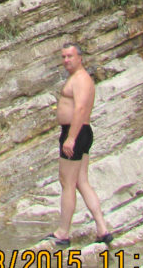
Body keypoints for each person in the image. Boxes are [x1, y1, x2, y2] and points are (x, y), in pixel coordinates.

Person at [47, 42, 112, 247]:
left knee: (67, 182)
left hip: (76, 132)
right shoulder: (77, 78)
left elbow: (81, 108)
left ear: (80, 57)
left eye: (70, 56)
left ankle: (63, 233)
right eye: (64, 57)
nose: (66, 60)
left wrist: (71, 138)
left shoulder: (81, 79)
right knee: (81, 182)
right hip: (80, 132)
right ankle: (102, 229)